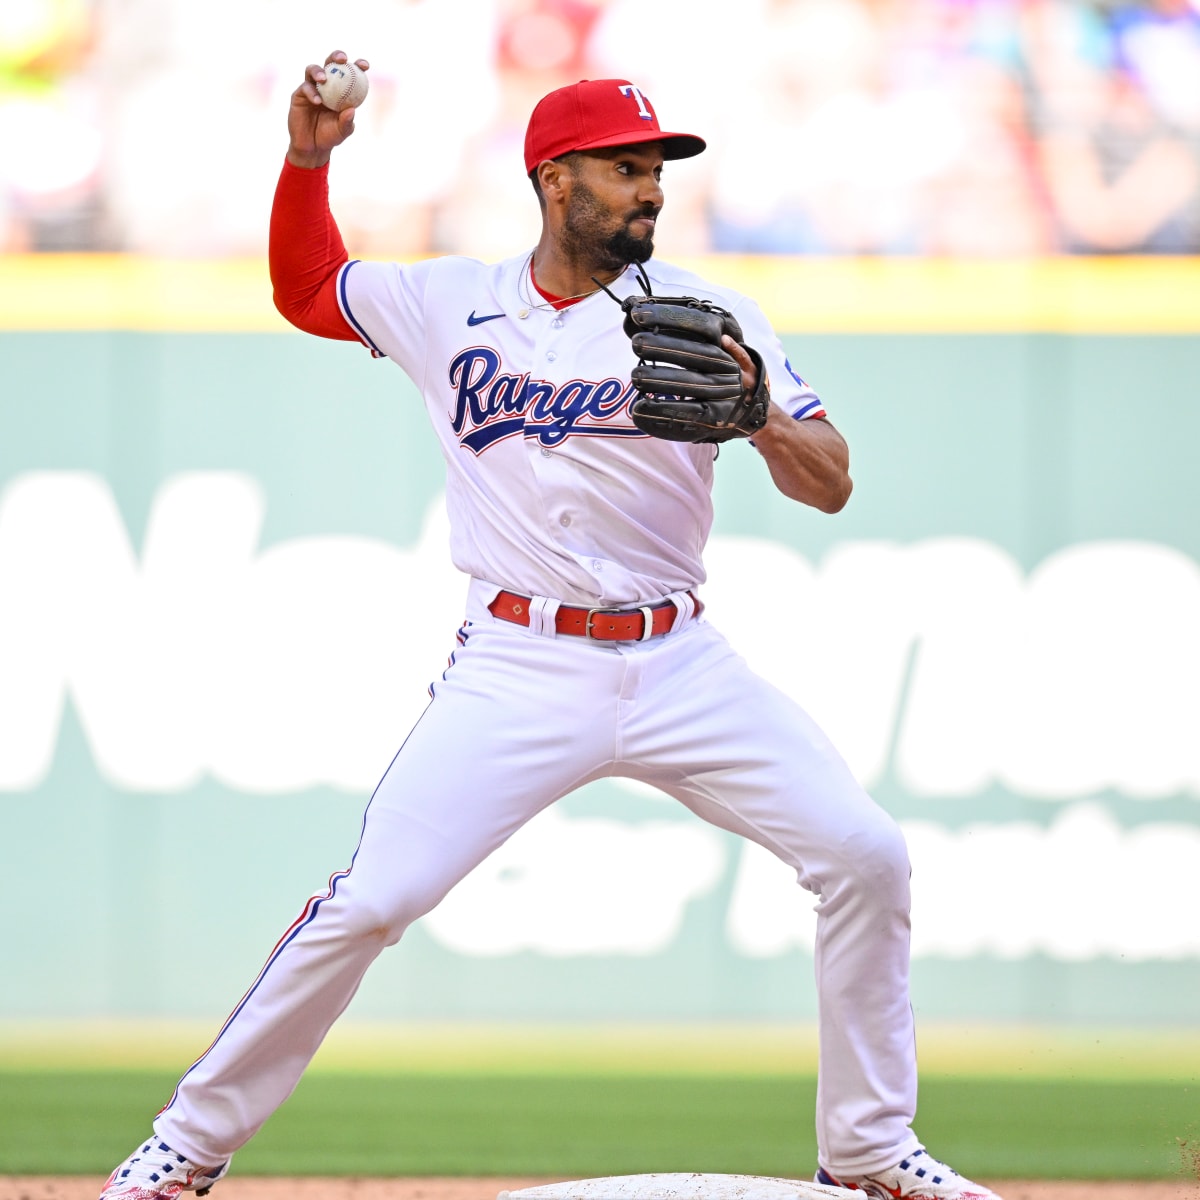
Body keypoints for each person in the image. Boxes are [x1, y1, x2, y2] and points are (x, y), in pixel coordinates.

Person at [99, 51, 1002, 1200]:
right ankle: (188, 1144)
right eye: (625, 169)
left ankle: (870, 1146)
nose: (650, 190)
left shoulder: (712, 316)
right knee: (371, 898)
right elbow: (307, 287)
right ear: (554, 178)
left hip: (680, 663)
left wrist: (764, 415)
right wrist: (304, 164)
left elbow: (830, 481)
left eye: (657, 172)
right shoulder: (445, 303)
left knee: (867, 855)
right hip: (518, 665)